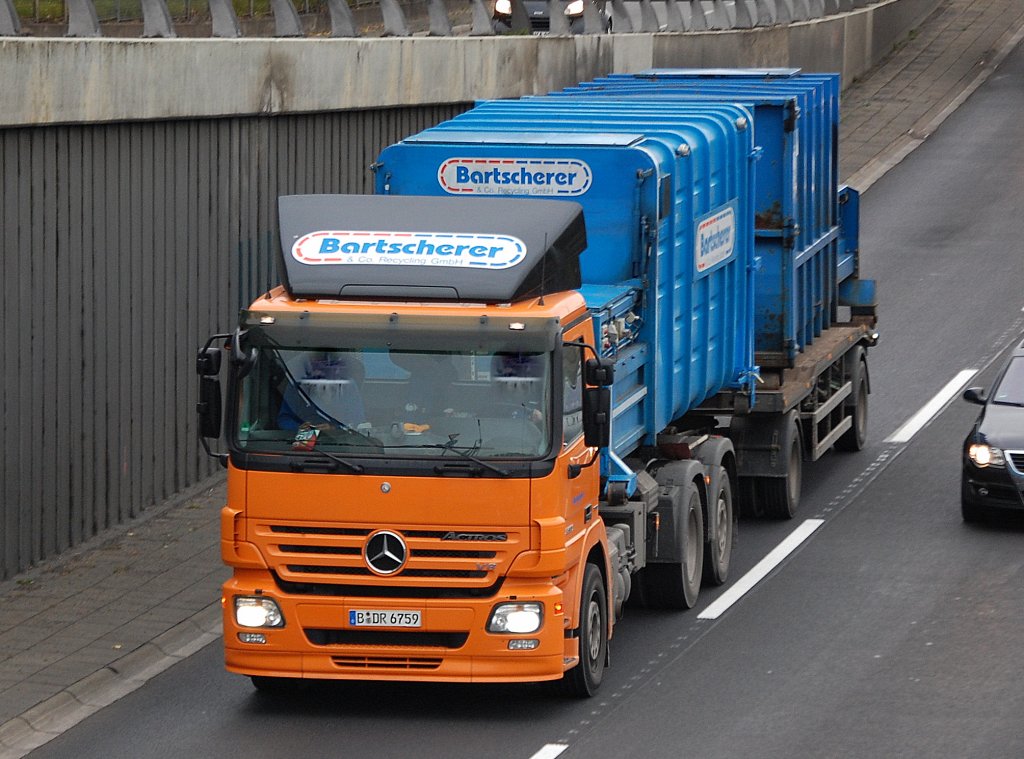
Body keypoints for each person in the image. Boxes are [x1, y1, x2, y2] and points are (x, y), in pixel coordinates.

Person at [277, 351, 366, 430]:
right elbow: (284, 419)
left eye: (328, 364)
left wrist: (334, 429)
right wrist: (298, 427)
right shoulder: (297, 385)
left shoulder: (347, 385)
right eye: (317, 363)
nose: (322, 367)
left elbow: (357, 422)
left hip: (339, 443)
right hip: (302, 442)